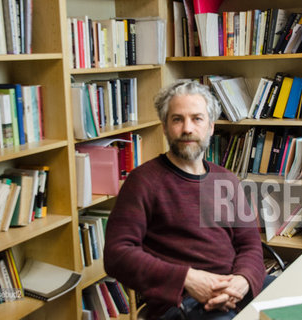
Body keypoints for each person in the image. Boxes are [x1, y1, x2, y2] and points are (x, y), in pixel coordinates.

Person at [104, 81, 266, 320]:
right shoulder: (143, 182)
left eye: (197, 119)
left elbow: (250, 245)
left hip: (234, 291)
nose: (187, 128)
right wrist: (187, 279)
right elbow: (117, 255)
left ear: (211, 127)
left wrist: (242, 281)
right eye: (177, 119)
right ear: (165, 128)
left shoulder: (227, 180)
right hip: (182, 303)